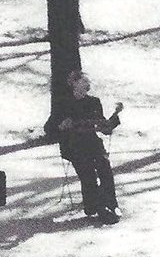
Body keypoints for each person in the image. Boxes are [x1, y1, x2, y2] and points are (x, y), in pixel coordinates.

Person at [46, 70, 123, 223]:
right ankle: (95, 207)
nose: (88, 83)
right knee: (88, 175)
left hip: (93, 143)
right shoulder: (63, 104)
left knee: (105, 170)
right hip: (73, 145)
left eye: (87, 81)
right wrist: (61, 126)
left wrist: (114, 119)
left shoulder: (94, 102)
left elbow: (103, 126)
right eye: (83, 81)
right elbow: (49, 128)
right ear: (74, 83)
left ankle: (110, 205)